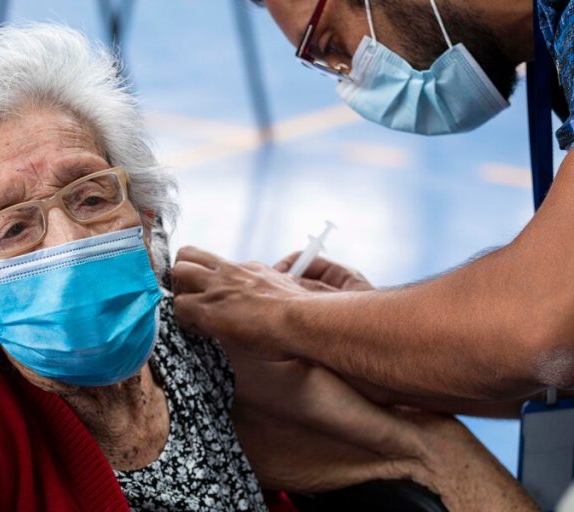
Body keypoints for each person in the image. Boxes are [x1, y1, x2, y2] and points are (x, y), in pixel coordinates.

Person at [0, 23, 536, 511]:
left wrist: (326, 325)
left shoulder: (200, 340)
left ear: (146, 222)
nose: (67, 239)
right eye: (13, 227)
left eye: (93, 194)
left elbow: (435, 423)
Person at [173, 0, 574, 409]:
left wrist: (286, 315)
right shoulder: (552, 46)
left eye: (332, 44)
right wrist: (371, 336)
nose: (355, 82)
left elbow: (543, 326)